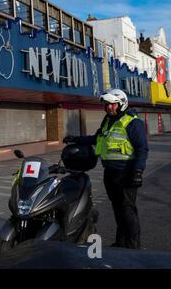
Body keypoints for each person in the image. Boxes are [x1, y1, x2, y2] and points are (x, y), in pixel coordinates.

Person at [64, 89, 148, 249]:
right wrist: (77, 139)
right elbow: (97, 138)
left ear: (121, 104)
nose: (109, 107)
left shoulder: (133, 122)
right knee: (117, 209)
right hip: (110, 173)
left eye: (112, 104)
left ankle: (133, 248)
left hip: (127, 173)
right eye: (107, 104)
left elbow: (142, 148)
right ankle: (121, 243)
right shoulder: (108, 121)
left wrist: (138, 172)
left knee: (128, 211)